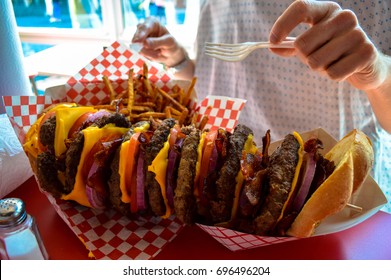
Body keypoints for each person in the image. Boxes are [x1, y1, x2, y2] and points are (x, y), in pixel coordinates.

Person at [132, 0, 391, 213]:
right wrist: (180, 61)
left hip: (340, 211)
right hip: (209, 196)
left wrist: (379, 73)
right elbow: (220, 75)